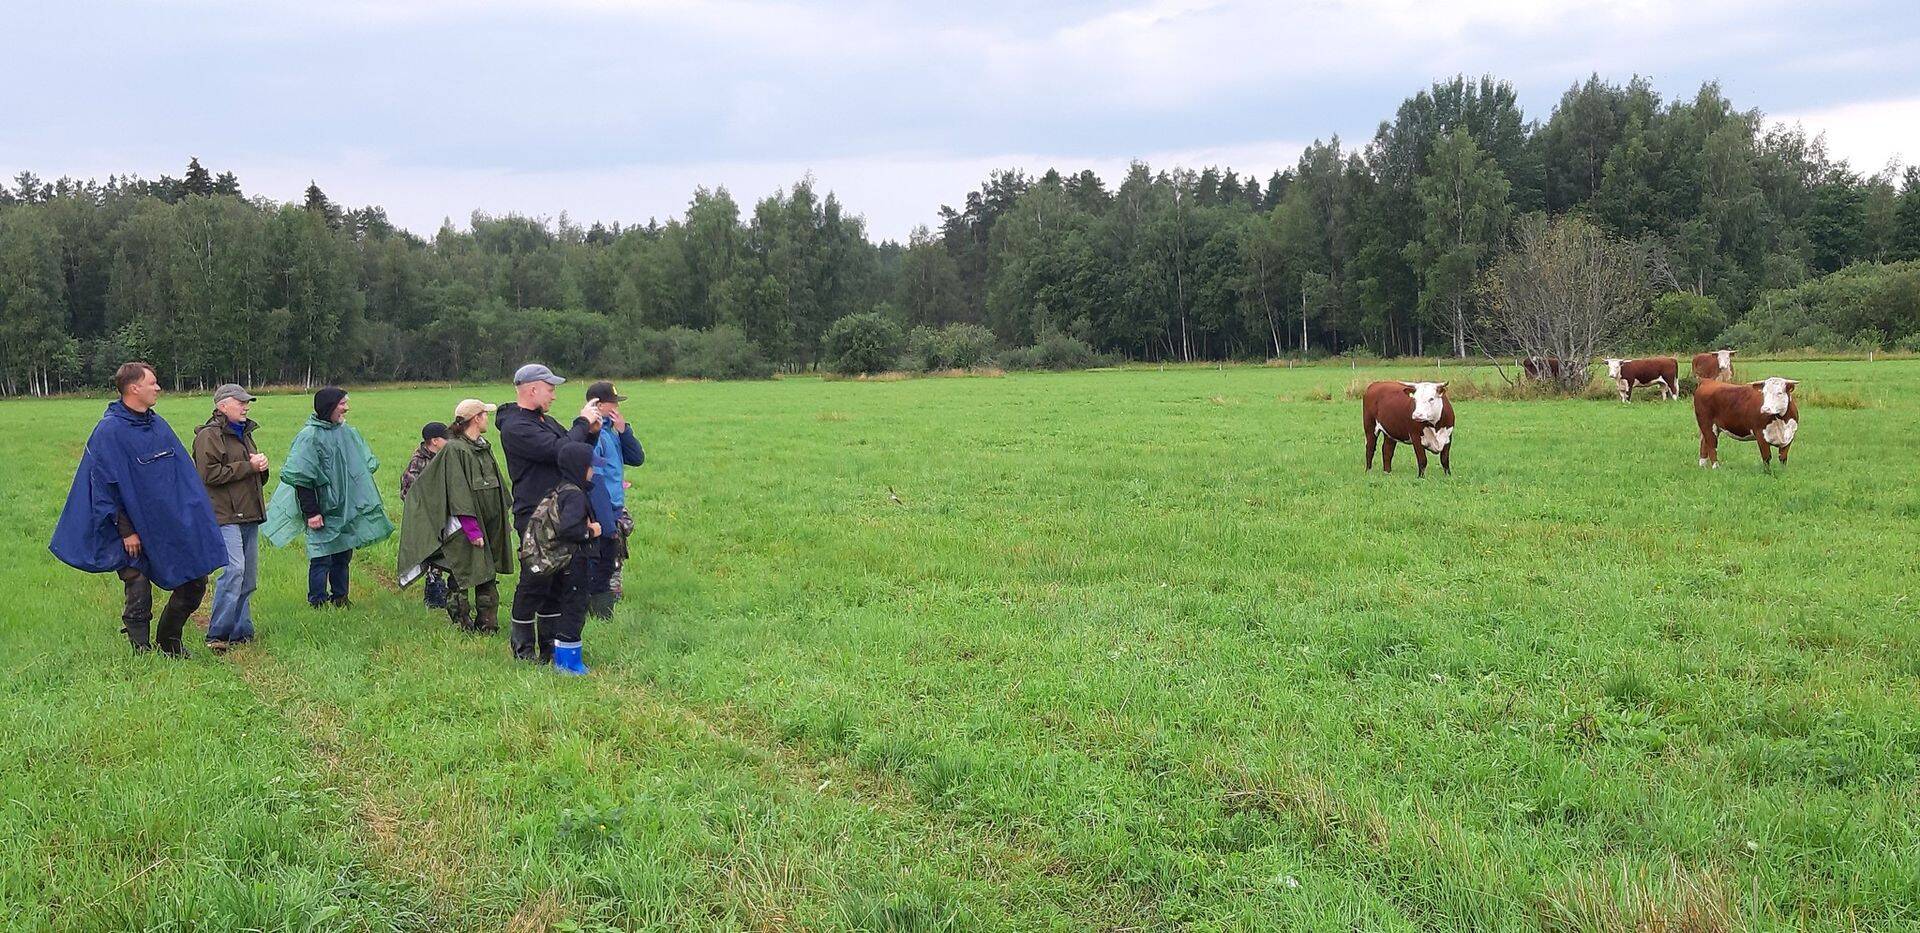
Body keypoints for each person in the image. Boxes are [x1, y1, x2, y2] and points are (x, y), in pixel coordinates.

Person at [50, 362, 225, 656]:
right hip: (127, 529)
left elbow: (180, 478)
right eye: (152, 383)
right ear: (134, 388)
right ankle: (141, 650)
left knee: (195, 581)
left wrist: (189, 520)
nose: (158, 388)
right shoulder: (109, 431)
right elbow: (104, 487)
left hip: (164, 524)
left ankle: (169, 641)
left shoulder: (157, 425)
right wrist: (127, 531)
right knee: (137, 581)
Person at [496, 363, 601, 662]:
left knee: (557, 581)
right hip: (535, 516)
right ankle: (522, 649)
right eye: (550, 389)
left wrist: (590, 434)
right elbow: (560, 451)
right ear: (532, 389)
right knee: (535, 579)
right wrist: (581, 421)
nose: (554, 395)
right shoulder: (517, 427)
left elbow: (572, 455)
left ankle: (550, 648)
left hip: (560, 511)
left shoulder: (547, 421)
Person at [263, 386, 394, 608]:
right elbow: (302, 477)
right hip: (322, 508)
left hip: (345, 507)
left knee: (343, 554)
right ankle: (318, 602)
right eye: (342, 403)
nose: (347, 408)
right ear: (329, 407)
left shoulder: (346, 432)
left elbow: (361, 467)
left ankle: (341, 598)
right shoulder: (310, 437)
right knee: (321, 557)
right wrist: (312, 512)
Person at [396, 400, 513, 633]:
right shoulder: (455, 450)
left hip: (488, 522)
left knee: (487, 574)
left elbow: (496, 485)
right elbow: (457, 492)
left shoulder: (483, 447)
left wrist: (502, 519)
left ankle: (488, 626)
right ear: (476, 418)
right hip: (465, 526)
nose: (487, 419)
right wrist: (472, 529)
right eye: (484, 414)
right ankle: (462, 624)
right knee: (463, 573)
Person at [192, 383, 271, 653]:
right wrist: (249, 466)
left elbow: (252, 476)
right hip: (224, 514)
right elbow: (209, 475)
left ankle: (241, 631)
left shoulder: (244, 433)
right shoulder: (208, 436)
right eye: (241, 402)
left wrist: (261, 468)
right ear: (222, 405)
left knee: (248, 578)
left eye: (247, 402)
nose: (246, 407)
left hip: (249, 512)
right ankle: (217, 634)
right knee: (234, 571)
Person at [513, 441, 600, 674]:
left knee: (553, 601)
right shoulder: (575, 496)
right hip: (572, 562)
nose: (593, 471)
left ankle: (547, 653)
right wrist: (591, 531)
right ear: (579, 467)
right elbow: (569, 529)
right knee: (573, 609)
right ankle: (568, 662)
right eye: (590, 466)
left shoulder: (559, 490)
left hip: (552, 561)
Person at [574, 381, 644, 619]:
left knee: (614, 556)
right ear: (599, 405)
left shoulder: (612, 433)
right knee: (603, 556)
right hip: (602, 507)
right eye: (613, 403)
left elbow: (637, 458)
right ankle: (599, 607)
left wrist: (624, 431)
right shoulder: (594, 437)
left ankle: (606, 599)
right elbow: (595, 480)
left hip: (614, 504)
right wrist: (605, 518)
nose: (617, 407)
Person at [400, 421, 451, 609]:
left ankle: (441, 587)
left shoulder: (444, 457)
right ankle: (433, 592)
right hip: (425, 517)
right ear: (435, 441)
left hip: (442, 513)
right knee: (430, 551)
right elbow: (410, 492)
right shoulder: (418, 462)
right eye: (446, 438)